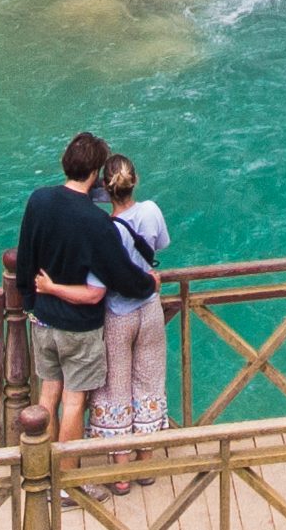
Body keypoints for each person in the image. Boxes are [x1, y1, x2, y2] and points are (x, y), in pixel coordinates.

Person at [10, 132, 159, 440]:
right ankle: (67, 483)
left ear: (66, 164)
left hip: (41, 319)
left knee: (47, 395)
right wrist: (149, 283)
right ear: (96, 175)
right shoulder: (96, 221)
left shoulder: (38, 199)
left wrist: (29, 301)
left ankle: (44, 474)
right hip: (78, 327)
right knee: (74, 401)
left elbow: (25, 255)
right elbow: (122, 276)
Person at [91, 153, 171, 475]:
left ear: (105, 190)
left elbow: (98, 280)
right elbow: (160, 245)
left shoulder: (105, 230)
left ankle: (121, 475)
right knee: (149, 383)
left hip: (117, 314)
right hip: (150, 309)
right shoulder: (151, 211)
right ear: (135, 180)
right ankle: (146, 467)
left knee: (115, 389)